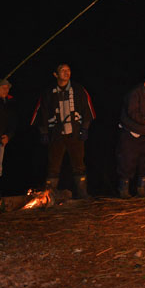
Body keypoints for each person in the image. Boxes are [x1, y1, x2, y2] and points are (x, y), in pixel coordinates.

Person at [31, 63, 95, 199]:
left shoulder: (78, 89)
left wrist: (85, 128)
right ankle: (49, 196)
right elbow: (41, 113)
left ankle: (83, 194)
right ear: (55, 74)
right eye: (62, 70)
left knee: (79, 164)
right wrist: (43, 132)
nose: (66, 73)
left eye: (68, 70)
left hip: (75, 134)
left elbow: (87, 109)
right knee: (53, 165)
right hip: (56, 135)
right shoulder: (48, 92)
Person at [0, 79, 16, 183]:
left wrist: (8, 136)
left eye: (8, 88)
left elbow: (13, 122)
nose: (6, 90)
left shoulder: (9, 103)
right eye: (3, 88)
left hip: (1, 140)